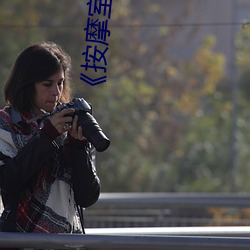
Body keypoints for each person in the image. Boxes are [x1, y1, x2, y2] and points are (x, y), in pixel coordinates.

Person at [0, 41, 100, 233]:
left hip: (66, 240)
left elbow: (87, 197)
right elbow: (8, 183)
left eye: (60, 83)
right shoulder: (5, 124)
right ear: (27, 84)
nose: (56, 91)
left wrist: (78, 148)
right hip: (20, 238)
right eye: (47, 84)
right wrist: (47, 135)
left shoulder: (70, 121)